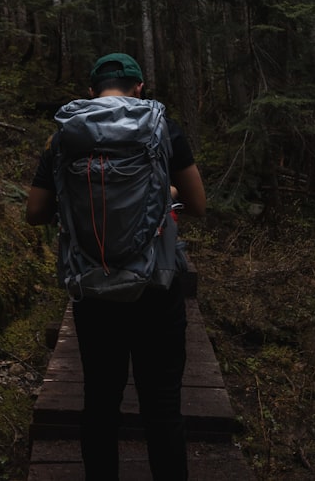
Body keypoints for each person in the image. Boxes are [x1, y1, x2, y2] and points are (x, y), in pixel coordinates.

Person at [26, 53, 206, 480]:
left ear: (91, 91)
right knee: (162, 406)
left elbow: (34, 212)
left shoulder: (64, 136)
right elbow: (197, 204)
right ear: (139, 87)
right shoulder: (163, 128)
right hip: (157, 288)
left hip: (93, 288)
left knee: (101, 404)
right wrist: (168, 187)